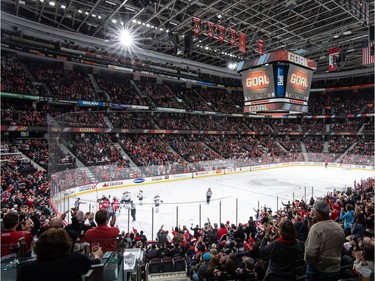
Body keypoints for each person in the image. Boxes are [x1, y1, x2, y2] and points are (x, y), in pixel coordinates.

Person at [17, 228, 102, 281]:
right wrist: (97, 256)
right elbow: (96, 266)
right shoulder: (76, 259)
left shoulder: (27, 269)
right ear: (67, 244)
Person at [304, 200, 345, 281]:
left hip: (318, 270)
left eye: (314, 212)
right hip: (335, 270)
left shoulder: (316, 228)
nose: (313, 214)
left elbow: (309, 253)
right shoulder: (338, 227)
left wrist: (309, 262)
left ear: (318, 214)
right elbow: (340, 247)